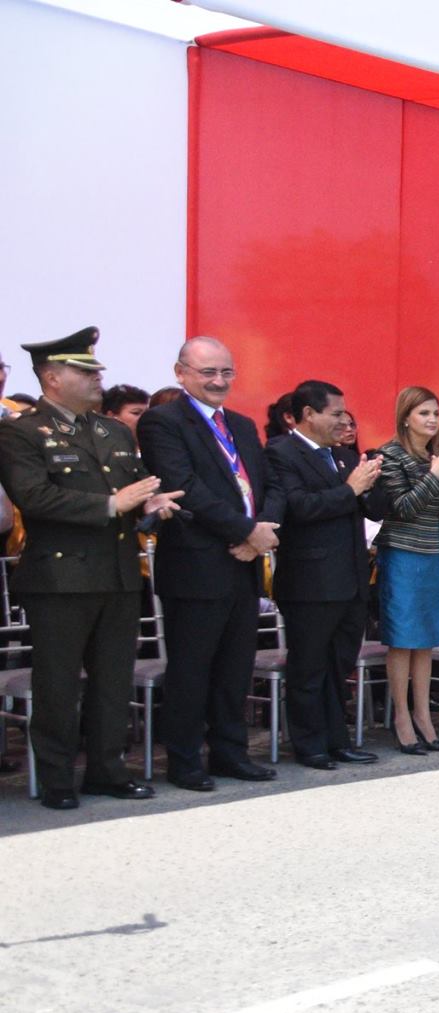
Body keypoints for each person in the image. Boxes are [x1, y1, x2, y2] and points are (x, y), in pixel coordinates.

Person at [0, 327, 181, 808]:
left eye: (97, 369)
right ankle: (57, 780)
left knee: (112, 681)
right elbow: (35, 498)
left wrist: (152, 503)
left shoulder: (113, 430)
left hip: (119, 573)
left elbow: (137, 488)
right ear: (52, 377)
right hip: (61, 578)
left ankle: (106, 770)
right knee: (58, 684)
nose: (98, 377)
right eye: (85, 371)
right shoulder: (20, 431)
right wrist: (111, 503)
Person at [135, 335, 281, 791]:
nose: (219, 381)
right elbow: (184, 487)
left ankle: (230, 753)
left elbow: (266, 484)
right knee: (191, 670)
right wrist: (244, 531)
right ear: (180, 373)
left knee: (235, 667)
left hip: (245, 562)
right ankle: (184, 761)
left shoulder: (240, 423)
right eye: (207, 372)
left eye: (226, 372)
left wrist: (261, 534)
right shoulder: (163, 422)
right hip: (197, 565)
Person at [267, 378, 380, 770]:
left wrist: (374, 484)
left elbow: (371, 507)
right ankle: (309, 743)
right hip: (310, 581)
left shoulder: (345, 456)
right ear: (308, 415)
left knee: (338, 666)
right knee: (309, 666)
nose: (342, 421)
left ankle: (337, 739)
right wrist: (350, 490)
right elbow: (298, 507)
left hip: (350, 579)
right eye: (335, 414)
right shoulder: (281, 452)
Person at [372, 386, 439, 754]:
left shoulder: (435, 457)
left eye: (436, 414)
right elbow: (402, 508)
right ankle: (402, 717)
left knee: (425, 640)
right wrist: (434, 475)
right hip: (403, 555)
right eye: (424, 413)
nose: (432, 420)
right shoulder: (388, 455)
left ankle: (423, 715)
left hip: (433, 554)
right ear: (406, 416)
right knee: (403, 639)